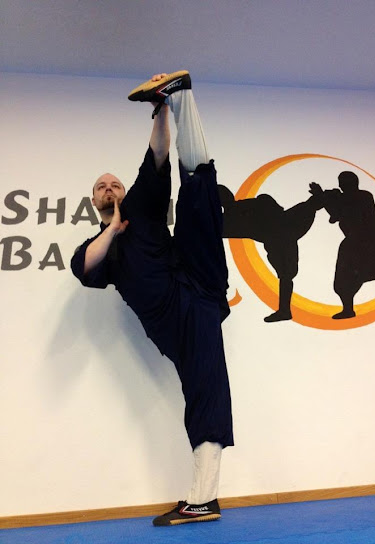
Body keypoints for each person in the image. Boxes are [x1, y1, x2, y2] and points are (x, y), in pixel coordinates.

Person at [71, 71, 233, 526]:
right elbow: (85, 268)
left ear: (125, 191)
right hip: (178, 319)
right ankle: (203, 500)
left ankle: (180, 96)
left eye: (114, 184)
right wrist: (113, 229)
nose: (109, 188)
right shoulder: (96, 247)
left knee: (198, 187)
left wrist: (160, 108)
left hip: (196, 277)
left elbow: (158, 152)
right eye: (101, 187)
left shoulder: (142, 203)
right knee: (204, 390)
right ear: (94, 202)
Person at [309, 171, 375, 318]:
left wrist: (325, 197)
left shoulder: (363, 196)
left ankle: (348, 309)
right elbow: (336, 213)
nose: (341, 186)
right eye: (341, 183)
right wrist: (323, 196)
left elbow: (341, 211)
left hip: (369, 242)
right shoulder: (343, 198)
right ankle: (348, 309)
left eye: (344, 183)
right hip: (355, 244)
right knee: (344, 281)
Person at [219, 184, 322, 322]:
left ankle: (284, 310)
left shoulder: (248, 213)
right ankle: (284, 310)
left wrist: (318, 195)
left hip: (279, 234)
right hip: (277, 236)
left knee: (286, 275)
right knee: (286, 275)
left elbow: (311, 205)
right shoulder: (240, 217)